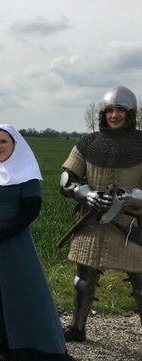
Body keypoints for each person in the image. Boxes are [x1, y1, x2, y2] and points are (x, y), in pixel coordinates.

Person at [0, 124, 79, 361]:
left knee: (19, 291)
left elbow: (31, 209)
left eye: (4, 142)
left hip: (12, 243)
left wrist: (1, 234)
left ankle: (24, 344)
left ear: (15, 145)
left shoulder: (27, 173)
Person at [60, 85, 142, 341]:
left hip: (131, 224)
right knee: (83, 280)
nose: (115, 115)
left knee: (140, 283)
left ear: (130, 114)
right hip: (92, 221)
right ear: (103, 114)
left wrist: (131, 196)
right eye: (110, 110)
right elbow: (66, 179)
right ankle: (77, 328)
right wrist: (86, 193)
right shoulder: (88, 144)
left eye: (120, 110)